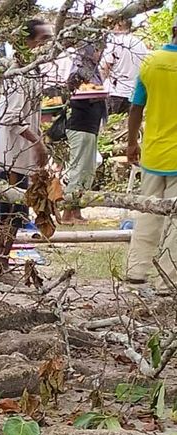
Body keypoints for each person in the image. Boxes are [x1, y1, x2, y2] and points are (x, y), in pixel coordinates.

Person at [0, 19, 53, 271]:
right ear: (26, 43)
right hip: (12, 154)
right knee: (7, 209)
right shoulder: (19, 74)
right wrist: (37, 142)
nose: (48, 46)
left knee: (17, 209)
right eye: (43, 40)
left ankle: (2, 259)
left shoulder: (33, 71)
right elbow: (8, 116)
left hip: (22, 154)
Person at [125, 17, 177, 294]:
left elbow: (136, 108)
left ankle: (137, 271)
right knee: (176, 222)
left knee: (147, 213)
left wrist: (132, 142)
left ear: (173, 31)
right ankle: (168, 280)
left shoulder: (150, 62)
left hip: (154, 152)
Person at [61, 41, 107, 224]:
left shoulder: (94, 73)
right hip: (80, 126)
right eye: (96, 49)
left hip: (90, 127)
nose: (99, 53)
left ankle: (77, 210)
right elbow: (74, 92)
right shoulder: (78, 72)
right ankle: (66, 212)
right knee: (78, 169)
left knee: (87, 170)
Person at [100, 19, 149, 115]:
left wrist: (98, 87)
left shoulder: (115, 43)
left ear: (119, 25)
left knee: (108, 127)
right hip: (133, 93)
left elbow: (105, 67)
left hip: (114, 92)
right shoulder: (141, 44)